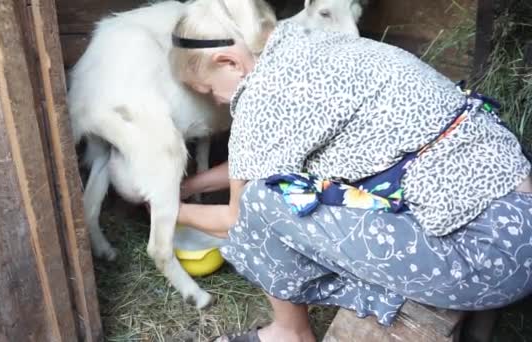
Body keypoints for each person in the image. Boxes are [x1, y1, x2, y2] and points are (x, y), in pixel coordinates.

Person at [169, 0, 532, 341]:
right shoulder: (309, 45)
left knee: (263, 202)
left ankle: (288, 333)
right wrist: (190, 185)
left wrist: (168, 211)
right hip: (516, 213)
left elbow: (237, 215)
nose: (215, 100)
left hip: (488, 259)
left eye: (208, 89)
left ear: (229, 62)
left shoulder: (261, 97)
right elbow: (256, 156)